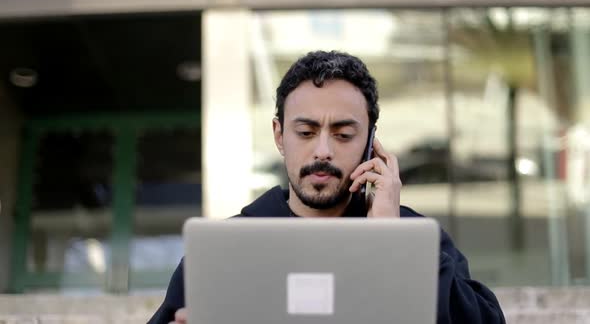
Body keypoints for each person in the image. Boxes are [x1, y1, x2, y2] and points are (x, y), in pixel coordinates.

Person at [148, 50, 506, 324]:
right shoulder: (218, 255)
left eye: (344, 134)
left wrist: (392, 241)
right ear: (279, 135)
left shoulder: (418, 240)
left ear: (371, 142)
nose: (323, 151)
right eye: (305, 132)